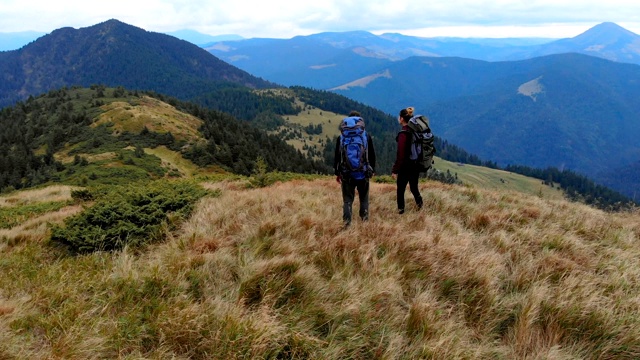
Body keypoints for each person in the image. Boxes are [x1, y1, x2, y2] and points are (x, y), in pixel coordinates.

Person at [334, 111, 376, 227]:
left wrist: (337, 172)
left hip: (346, 173)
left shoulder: (342, 136)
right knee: (364, 199)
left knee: (347, 200)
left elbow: (337, 156)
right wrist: (372, 169)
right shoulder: (365, 135)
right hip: (363, 172)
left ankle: (347, 224)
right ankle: (364, 222)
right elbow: (372, 154)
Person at [391, 107, 423, 214]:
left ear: (401, 119)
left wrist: (395, 170)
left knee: (401, 190)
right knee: (414, 188)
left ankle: (401, 212)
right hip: (415, 165)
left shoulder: (403, 134)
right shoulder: (415, 132)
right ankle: (420, 207)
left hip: (405, 167)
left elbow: (400, 155)